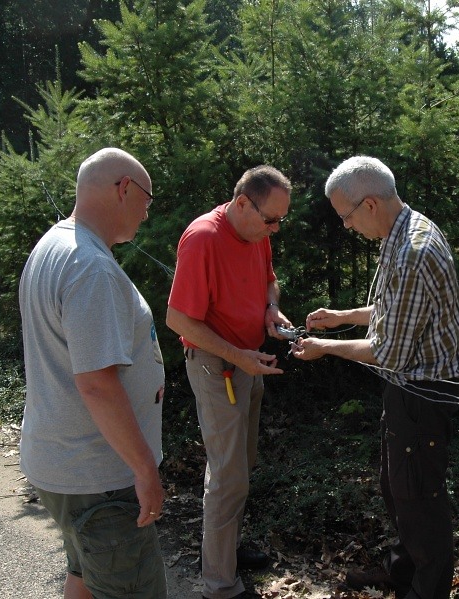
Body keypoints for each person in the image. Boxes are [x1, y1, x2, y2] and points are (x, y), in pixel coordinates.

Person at [291, 156, 459, 599]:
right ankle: (402, 569)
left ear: (369, 203)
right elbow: (394, 312)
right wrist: (340, 317)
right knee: (396, 488)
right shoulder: (401, 231)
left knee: (419, 500)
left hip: (424, 393)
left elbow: (388, 351)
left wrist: (325, 348)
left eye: (346, 216)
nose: (347, 227)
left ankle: (425, 590)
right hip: (407, 390)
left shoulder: (413, 250)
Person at [19, 147, 167, 599]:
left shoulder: (56, 244)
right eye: (147, 198)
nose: (146, 211)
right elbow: (97, 384)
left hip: (64, 464)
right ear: (124, 188)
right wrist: (145, 470)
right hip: (98, 478)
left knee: (84, 576)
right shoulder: (91, 268)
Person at [166, 165, 293, 599]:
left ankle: (228, 551)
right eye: (270, 219)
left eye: (281, 220)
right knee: (227, 474)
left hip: (248, 361)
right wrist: (238, 356)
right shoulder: (203, 238)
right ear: (242, 204)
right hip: (215, 365)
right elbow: (178, 318)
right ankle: (219, 584)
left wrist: (270, 310)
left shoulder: (256, 234)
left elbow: (269, 281)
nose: (275, 229)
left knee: (244, 463)